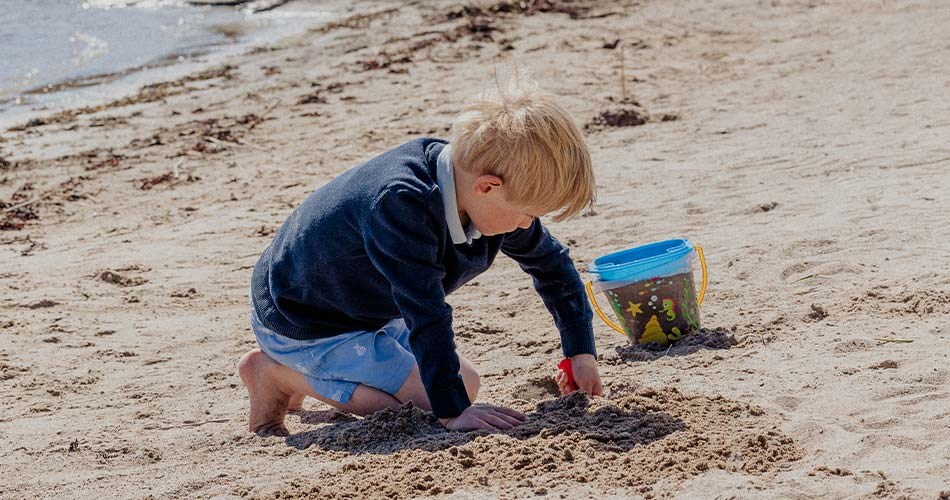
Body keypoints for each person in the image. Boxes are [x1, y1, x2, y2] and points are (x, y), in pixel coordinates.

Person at [239, 73, 604, 436]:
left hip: (365, 305)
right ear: (488, 186)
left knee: (466, 383)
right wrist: (452, 413)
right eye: (529, 213)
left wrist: (580, 352)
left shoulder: (477, 192)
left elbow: (552, 265)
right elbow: (425, 311)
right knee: (431, 402)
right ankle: (276, 375)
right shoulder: (402, 206)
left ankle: (310, 375)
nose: (528, 226)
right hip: (304, 318)